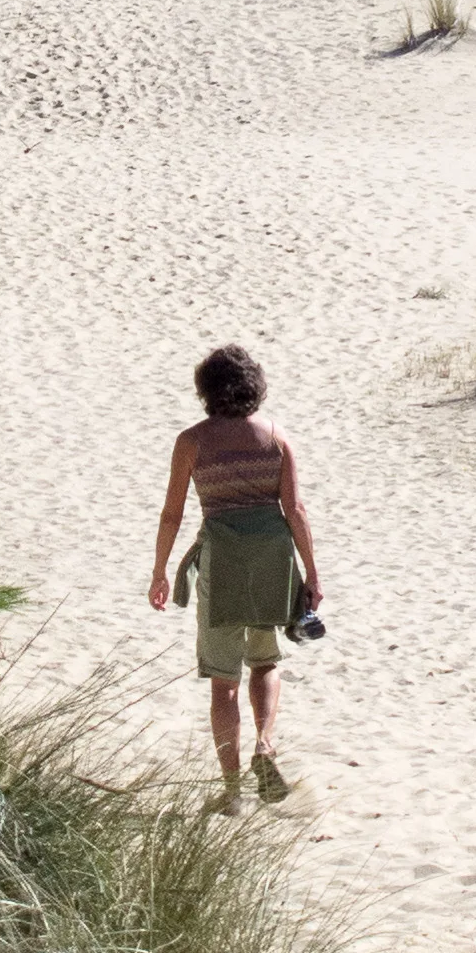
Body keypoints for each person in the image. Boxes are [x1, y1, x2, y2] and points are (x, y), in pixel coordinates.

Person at [149, 341, 322, 809]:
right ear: (255, 386)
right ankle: (265, 746)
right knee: (265, 663)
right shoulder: (276, 437)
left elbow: (172, 513)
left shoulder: (193, 441)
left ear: (205, 390)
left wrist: (161, 571)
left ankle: (232, 793)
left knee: (223, 681)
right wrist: (312, 574)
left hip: (223, 561)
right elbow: (296, 509)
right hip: (272, 558)